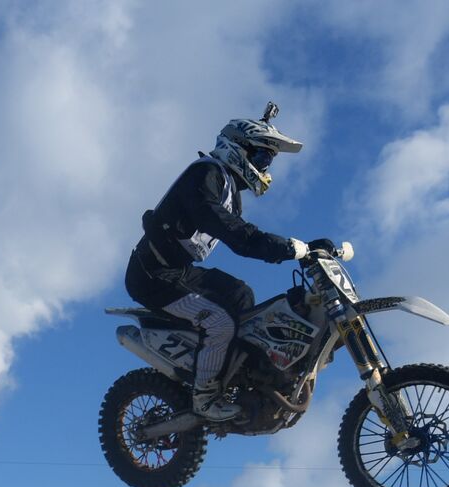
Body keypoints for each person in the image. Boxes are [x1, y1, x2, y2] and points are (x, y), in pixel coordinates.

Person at [126, 105, 327, 421]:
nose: (264, 167)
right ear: (238, 148)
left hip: (178, 270)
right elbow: (237, 235)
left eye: (268, 161)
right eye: (262, 158)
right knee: (220, 322)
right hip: (153, 273)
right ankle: (204, 396)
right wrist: (287, 247)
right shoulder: (204, 174)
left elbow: (239, 236)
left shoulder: (229, 189)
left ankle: (237, 379)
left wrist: (310, 249)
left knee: (242, 297)